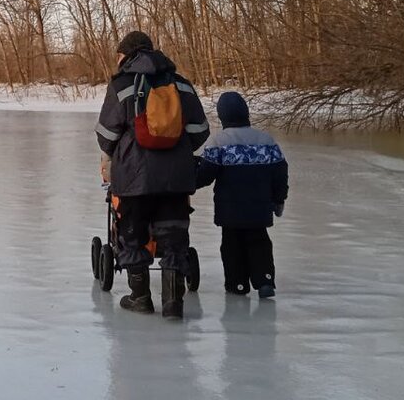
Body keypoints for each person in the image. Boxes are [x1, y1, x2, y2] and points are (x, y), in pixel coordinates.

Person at [96, 31, 209, 319]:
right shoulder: (181, 84)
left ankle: (140, 297)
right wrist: (178, 149)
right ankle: (173, 303)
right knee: (172, 236)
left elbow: (107, 133)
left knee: (132, 236)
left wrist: (117, 153)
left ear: (127, 55)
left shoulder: (122, 85)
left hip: (134, 179)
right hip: (176, 178)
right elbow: (200, 130)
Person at [195, 91, 288, 298]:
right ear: (246, 113)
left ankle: (237, 284)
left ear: (222, 116)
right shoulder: (266, 141)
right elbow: (280, 172)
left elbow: (205, 175)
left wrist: (186, 183)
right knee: (259, 241)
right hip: (260, 207)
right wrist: (279, 198)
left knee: (232, 245)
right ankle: (264, 280)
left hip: (230, 209)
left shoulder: (218, 142)